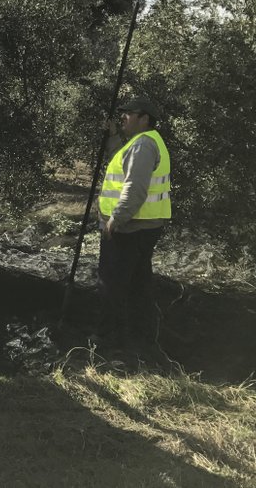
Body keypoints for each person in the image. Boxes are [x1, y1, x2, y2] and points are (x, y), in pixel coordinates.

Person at [94, 96, 171, 360]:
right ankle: (141, 340)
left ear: (144, 119)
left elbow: (134, 188)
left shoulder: (144, 145)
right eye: (122, 113)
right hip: (143, 227)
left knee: (113, 284)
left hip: (129, 228)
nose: (123, 117)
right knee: (138, 283)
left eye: (129, 114)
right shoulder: (143, 143)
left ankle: (109, 342)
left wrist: (117, 218)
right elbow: (123, 162)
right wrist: (113, 137)